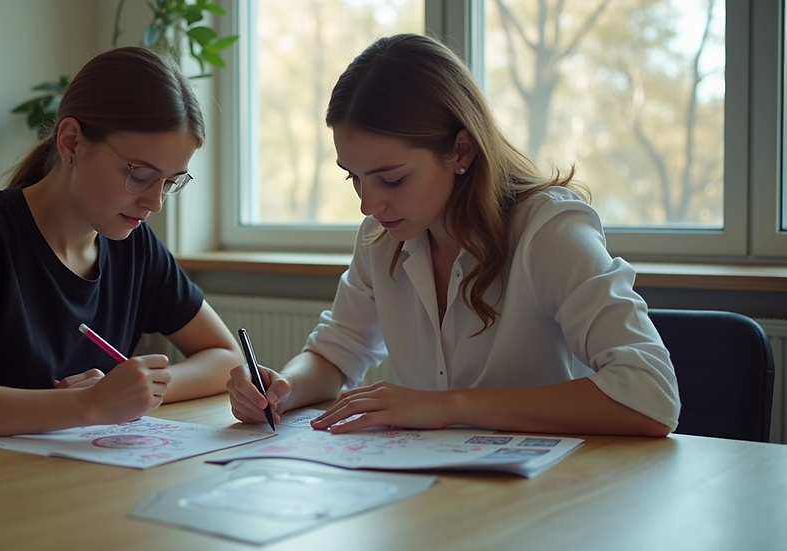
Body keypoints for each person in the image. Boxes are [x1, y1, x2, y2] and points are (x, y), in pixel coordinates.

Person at [227, 34, 680, 437]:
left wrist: (445, 408)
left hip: (553, 497)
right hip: (438, 494)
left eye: (392, 179)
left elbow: (652, 396)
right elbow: (336, 354)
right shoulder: (380, 238)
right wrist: (281, 390)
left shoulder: (549, 232)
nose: (368, 204)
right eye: (355, 179)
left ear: (460, 150)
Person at [0, 47, 242, 452]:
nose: (155, 203)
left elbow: (228, 357)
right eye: (140, 175)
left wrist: (136, 390)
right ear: (71, 142)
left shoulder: (136, 246)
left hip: (19, 478)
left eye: (172, 182)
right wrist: (89, 404)